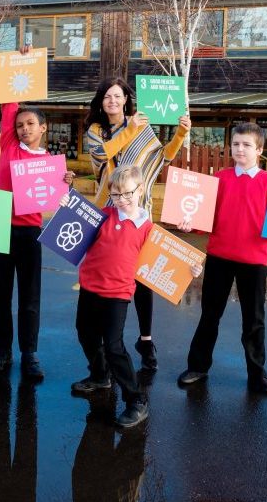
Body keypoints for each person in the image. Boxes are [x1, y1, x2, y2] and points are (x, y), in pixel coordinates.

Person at [65, 164, 201, 428]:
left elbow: (173, 259)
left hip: (118, 293)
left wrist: (191, 268)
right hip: (90, 287)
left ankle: (136, 400)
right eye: (116, 195)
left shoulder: (148, 229)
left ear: (140, 190)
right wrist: (65, 201)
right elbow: (71, 224)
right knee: (85, 333)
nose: (122, 200)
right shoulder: (103, 216)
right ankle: (100, 375)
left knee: (114, 346)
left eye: (127, 194)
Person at [86, 77, 191, 371]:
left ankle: (145, 339)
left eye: (117, 96)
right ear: (101, 101)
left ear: (126, 100)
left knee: (143, 277)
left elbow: (162, 157)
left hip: (137, 211)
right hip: (106, 210)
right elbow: (99, 155)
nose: (113, 101)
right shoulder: (96, 131)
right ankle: (106, 344)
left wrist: (181, 134)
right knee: (106, 278)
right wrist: (128, 130)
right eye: (107, 96)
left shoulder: (143, 127)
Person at [178, 123, 267, 394]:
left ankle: (257, 373)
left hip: (254, 261)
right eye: (236, 144)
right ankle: (198, 366)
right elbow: (206, 216)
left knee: (254, 320)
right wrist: (191, 224)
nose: (240, 149)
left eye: (246, 145)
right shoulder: (220, 178)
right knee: (210, 314)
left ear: (259, 149)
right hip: (220, 257)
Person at [0, 99, 74, 379]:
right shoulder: (10, 147)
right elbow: (10, 104)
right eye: (20, 125)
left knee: (29, 296)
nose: (24, 129)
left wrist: (65, 183)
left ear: (43, 128)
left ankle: (29, 353)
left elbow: (59, 203)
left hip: (30, 232)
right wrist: (18, 56)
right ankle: (2, 350)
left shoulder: (50, 164)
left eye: (30, 124)